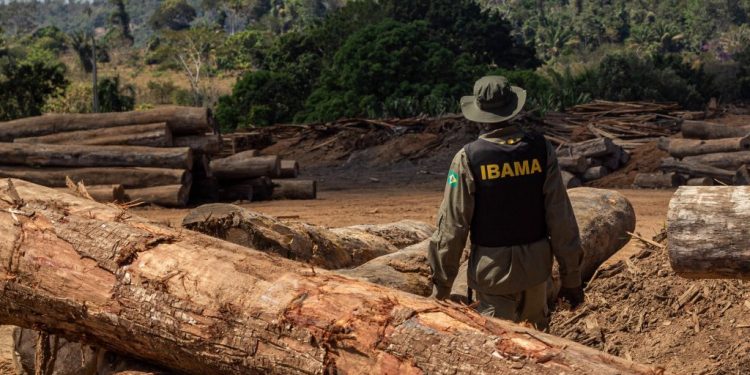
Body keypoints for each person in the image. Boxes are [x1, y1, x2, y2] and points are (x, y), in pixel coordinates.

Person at [428, 75, 584, 329]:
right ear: (512, 108)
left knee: (500, 352)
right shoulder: (541, 150)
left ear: (479, 113)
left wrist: (442, 287)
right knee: (537, 347)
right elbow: (560, 217)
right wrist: (572, 278)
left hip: (493, 277)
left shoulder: (468, 158)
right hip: (536, 273)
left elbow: (453, 227)